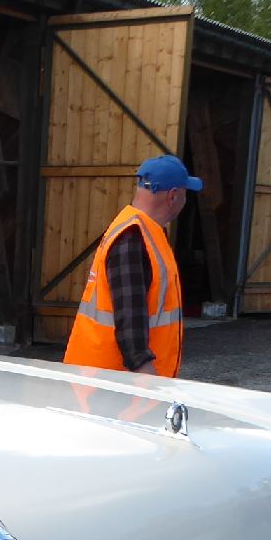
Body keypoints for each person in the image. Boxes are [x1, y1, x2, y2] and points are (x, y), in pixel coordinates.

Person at [63, 154, 199, 377]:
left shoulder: (141, 231)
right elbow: (130, 315)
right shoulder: (134, 237)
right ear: (173, 196)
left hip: (107, 378)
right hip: (111, 383)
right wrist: (146, 375)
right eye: (186, 193)